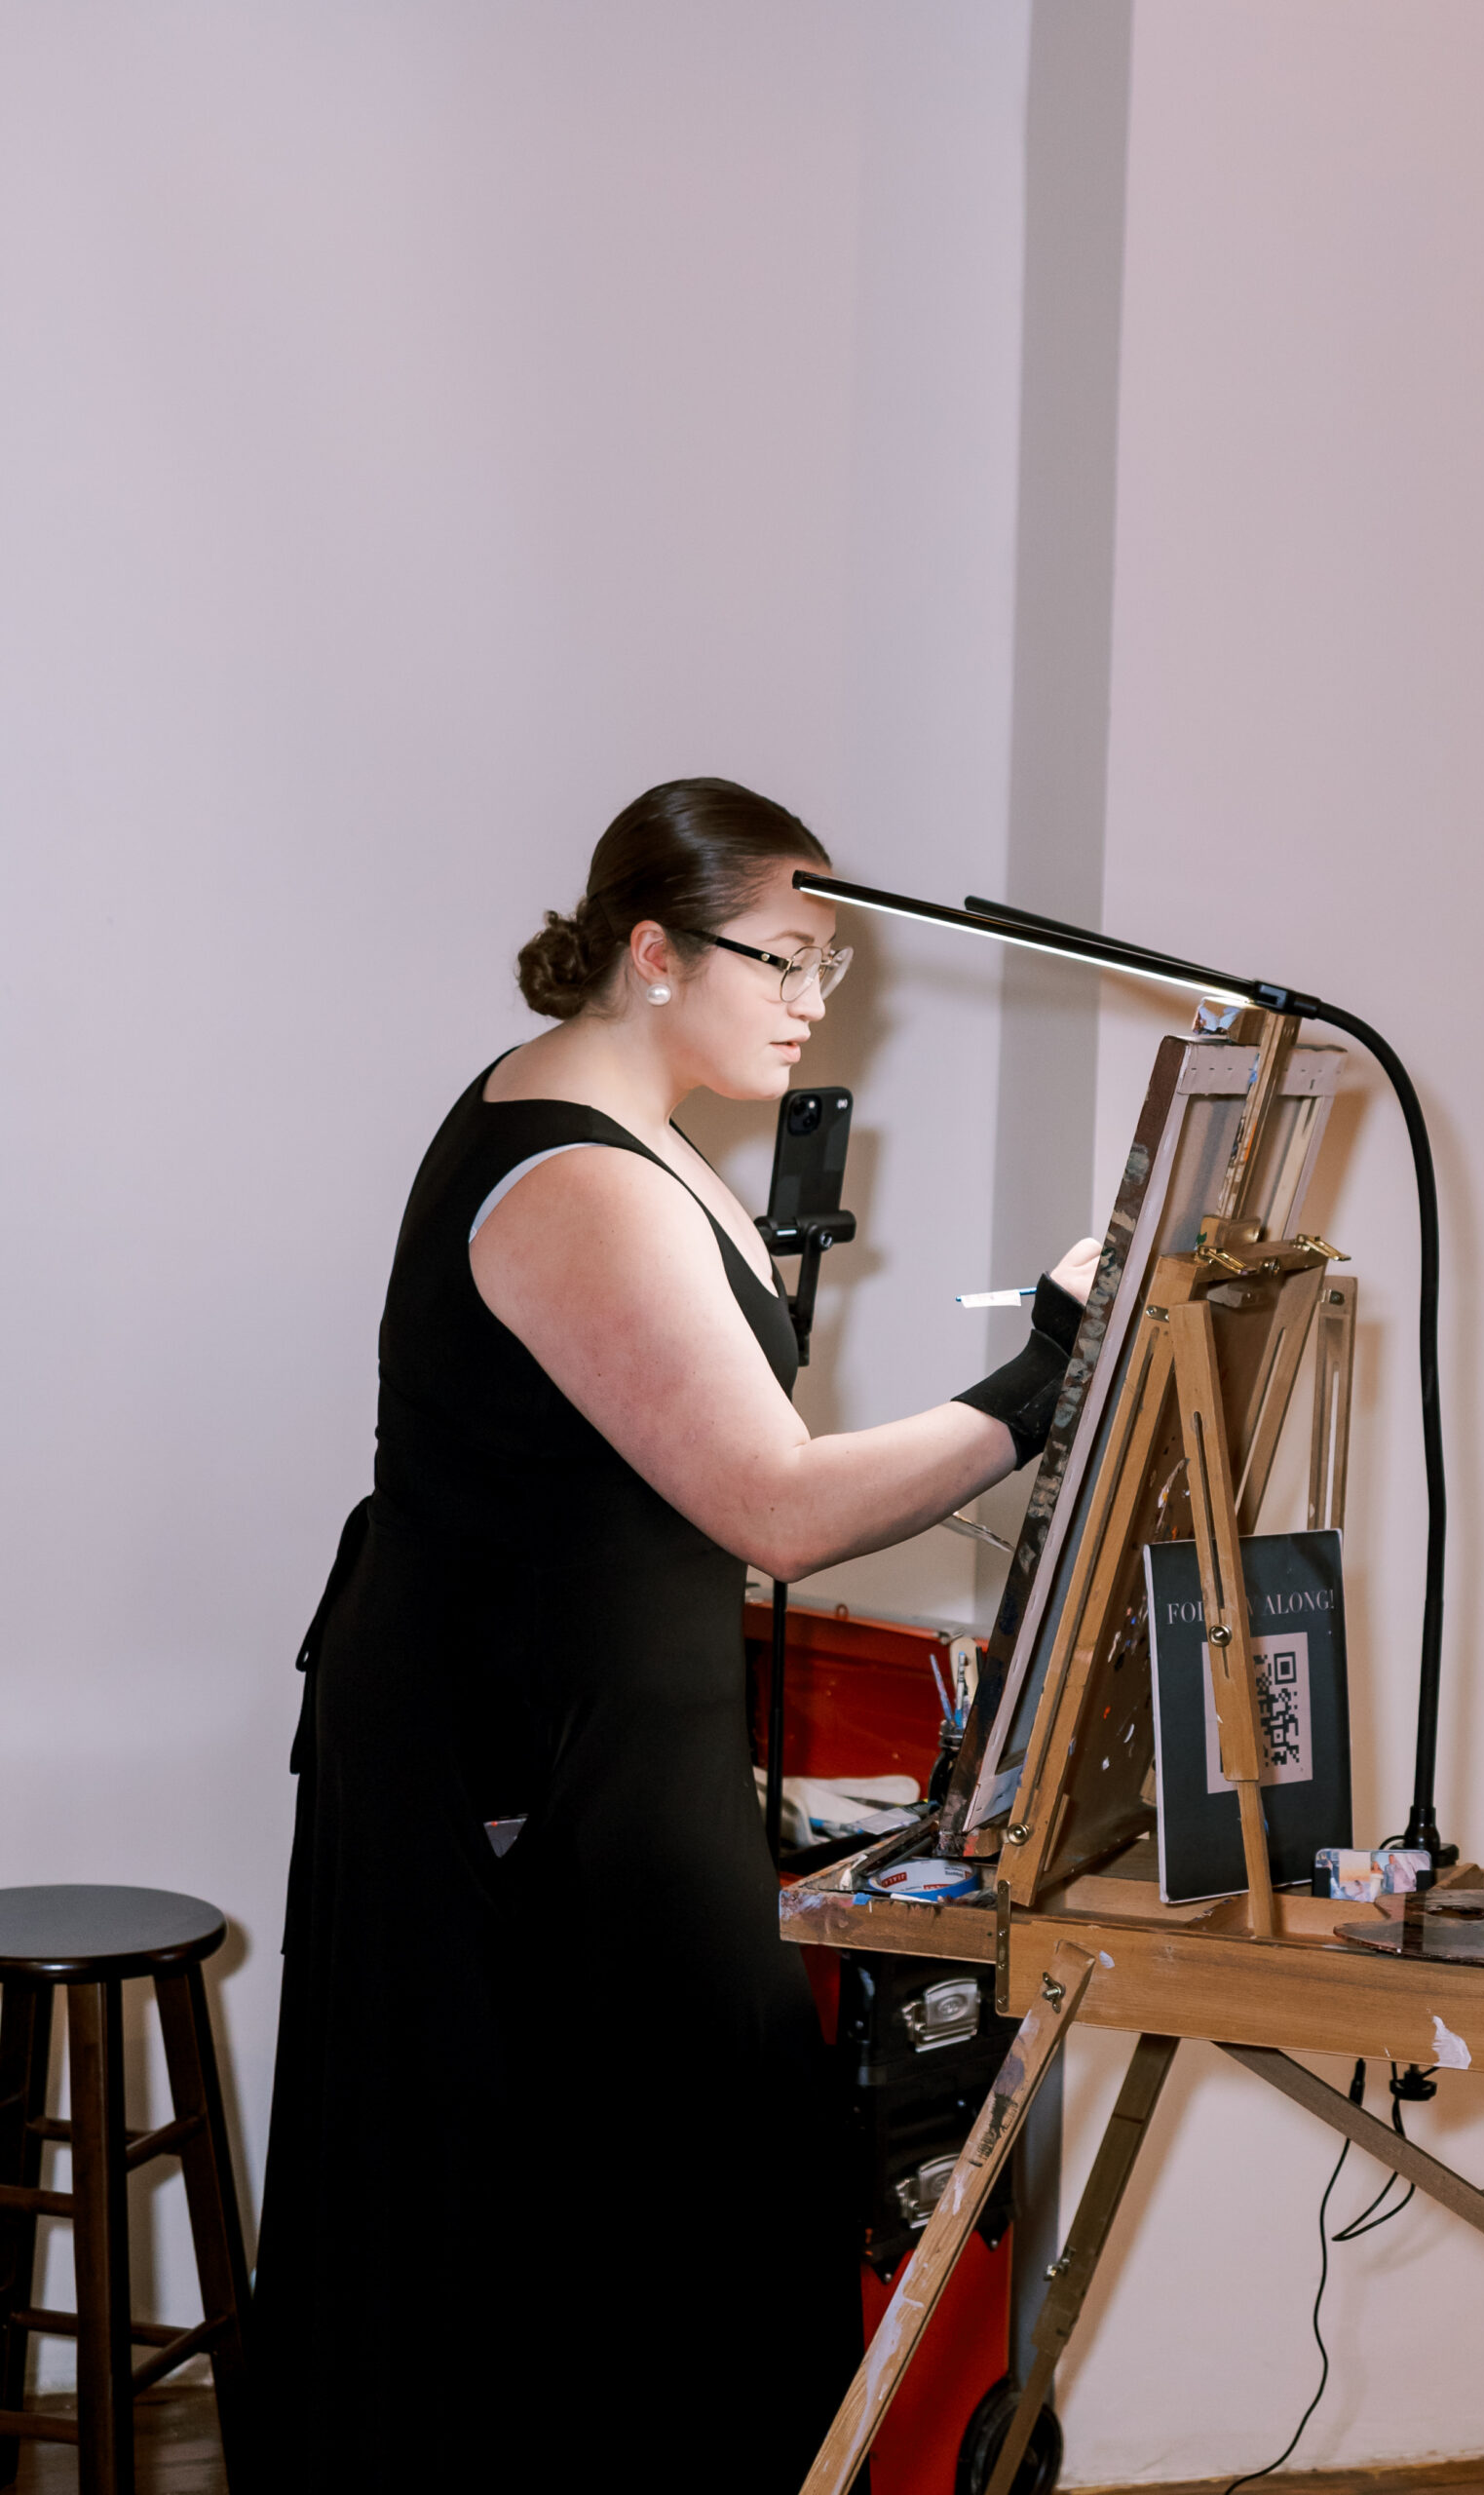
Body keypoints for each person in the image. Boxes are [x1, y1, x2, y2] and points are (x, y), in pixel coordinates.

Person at [256, 778, 1096, 2491]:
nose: (812, 998)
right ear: (653, 951)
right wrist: (1042, 1382)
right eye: (783, 958)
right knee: (597, 2205)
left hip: (608, 1733)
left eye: (830, 962)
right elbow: (773, 1506)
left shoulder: (644, 1143)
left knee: (695, 2183)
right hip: (517, 1761)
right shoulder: (573, 1173)